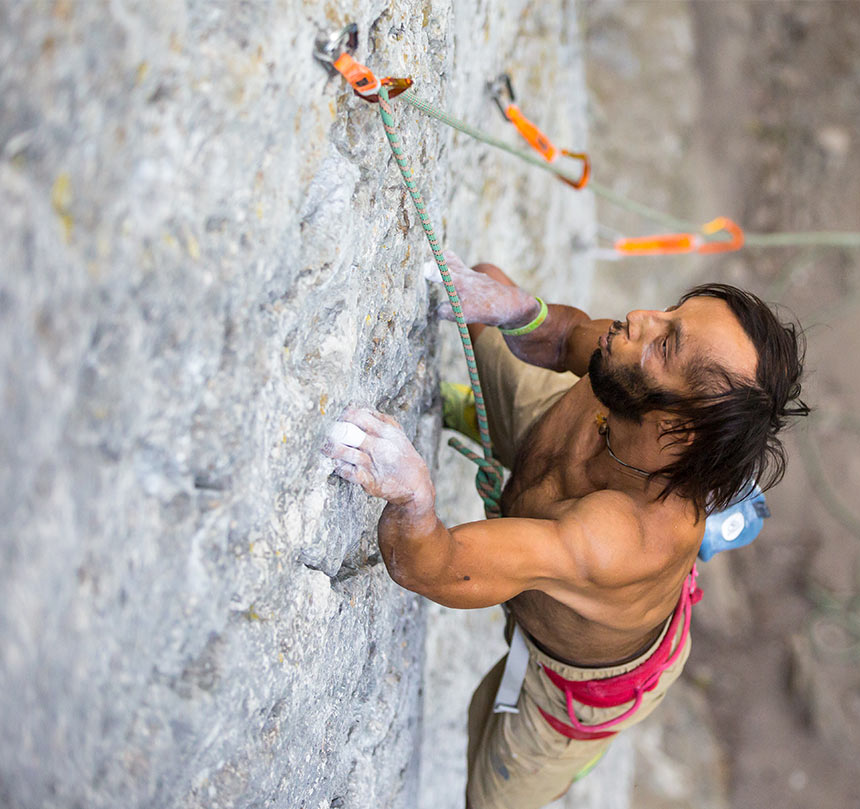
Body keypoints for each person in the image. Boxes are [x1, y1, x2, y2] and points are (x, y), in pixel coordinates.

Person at [323, 252, 808, 809]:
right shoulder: (625, 366)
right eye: (672, 313)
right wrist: (518, 310)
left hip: (575, 686)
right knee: (485, 290)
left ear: (675, 431)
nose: (640, 317)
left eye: (667, 342)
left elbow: (431, 565)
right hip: (561, 453)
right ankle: (486, 418)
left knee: (490, 801)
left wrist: (412, 495)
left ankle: (579, 753)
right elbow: (565, 336)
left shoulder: (614, 539)